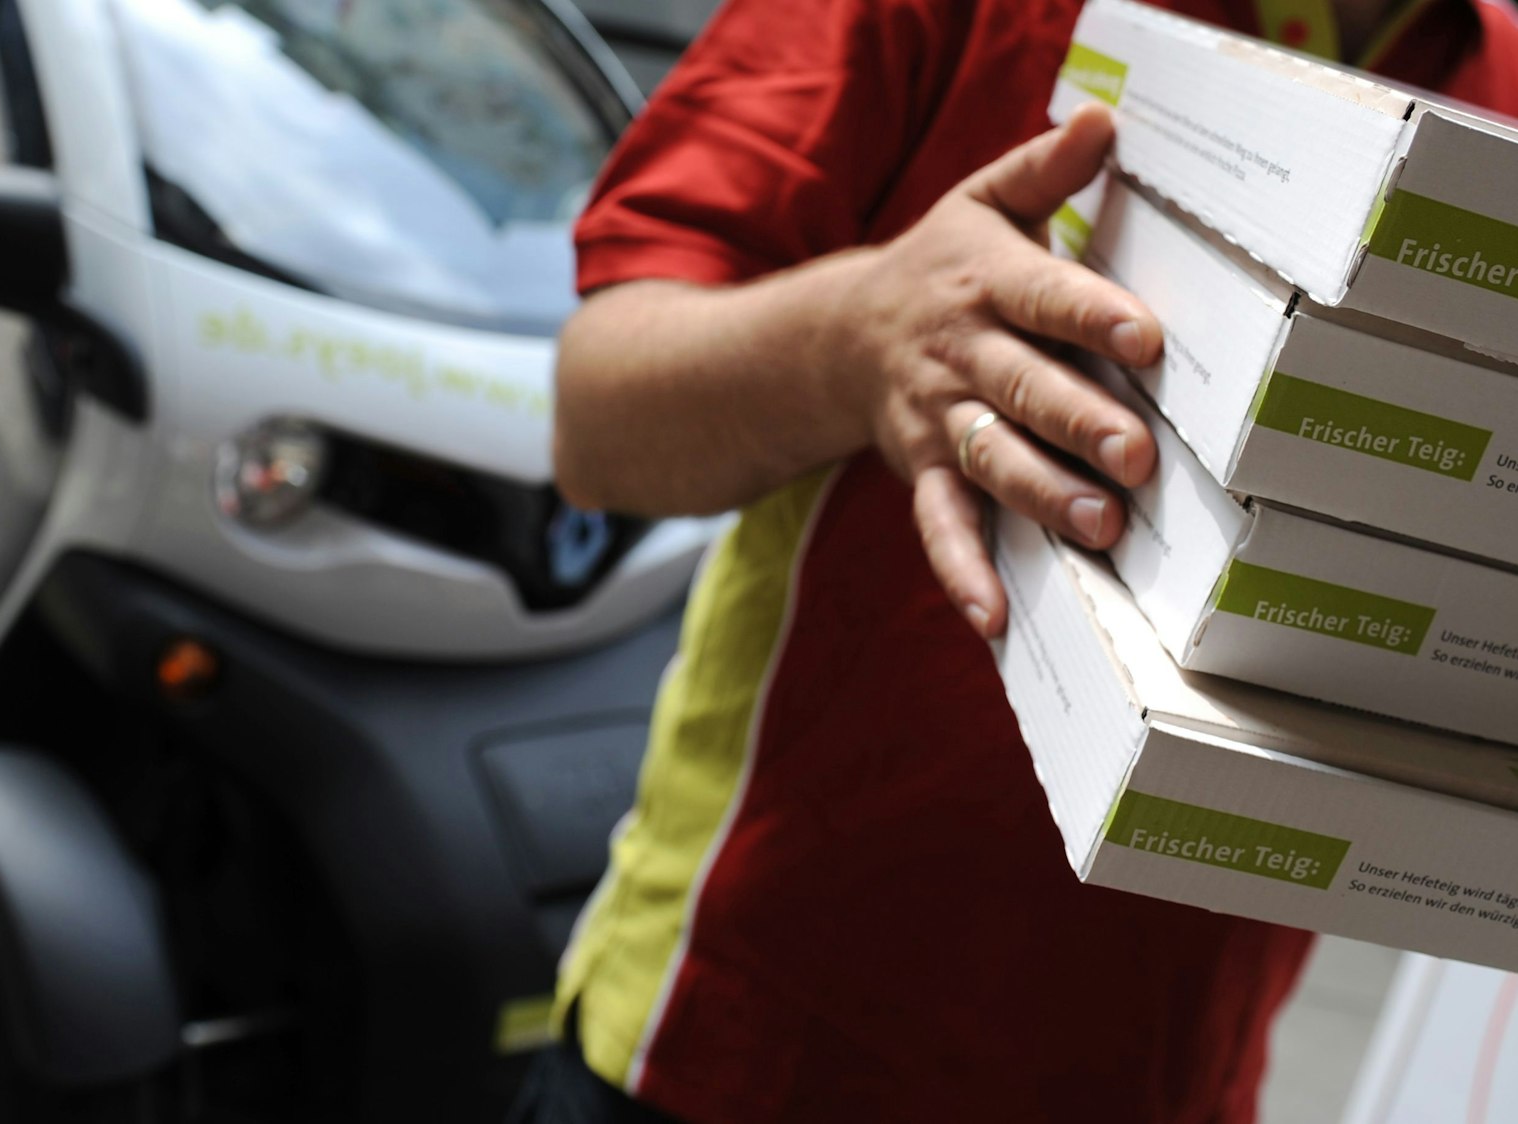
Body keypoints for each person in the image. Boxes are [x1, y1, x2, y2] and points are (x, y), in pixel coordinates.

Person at [515, 0, 1518, 1120]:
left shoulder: (1501, 101)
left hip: (1171, 1084)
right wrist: (862, 338)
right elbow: (597, 425)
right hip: (742, 1049)